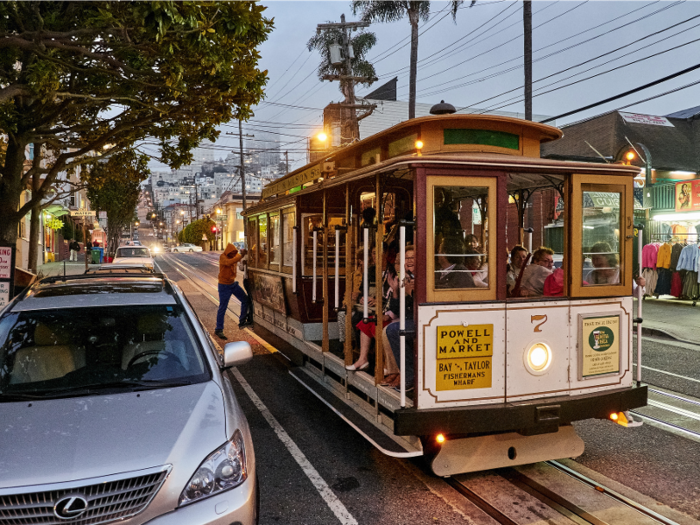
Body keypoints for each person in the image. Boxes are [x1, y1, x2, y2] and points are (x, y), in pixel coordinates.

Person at [385, 245, 416, 391]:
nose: (409, 260)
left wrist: (411, 293)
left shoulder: (425, 277)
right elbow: (397, 310)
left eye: (412, 257)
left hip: (421, 320)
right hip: (409, 319)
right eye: (406, 258)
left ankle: (409, 377)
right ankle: (405, 374)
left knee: (393, 330)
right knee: (391, 330)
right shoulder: (405, 278)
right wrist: (396, 291)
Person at [215, 244, 250, 339]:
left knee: (245, 299)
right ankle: (218, 329)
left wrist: (246, 255)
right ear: (228, 252)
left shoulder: (234, 256)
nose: (233, 255)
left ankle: (242, 320)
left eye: (234, 253)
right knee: (223, 307)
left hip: (232, 284)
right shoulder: (223, 257)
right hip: (224, 285)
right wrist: (240, 255)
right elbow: (228, 262)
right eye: (232, 253)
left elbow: (239, 262)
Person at [238, 247, 254, 326]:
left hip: (249, 280)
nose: (241, 253)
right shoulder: (244, 258)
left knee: (249, 299)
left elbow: (240, 268)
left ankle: (248, 317)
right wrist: (242, 262)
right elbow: (241, 268)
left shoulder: (249, 257)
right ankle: (248, 317)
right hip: (247, 280)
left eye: (242, 252)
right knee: (249, 299)